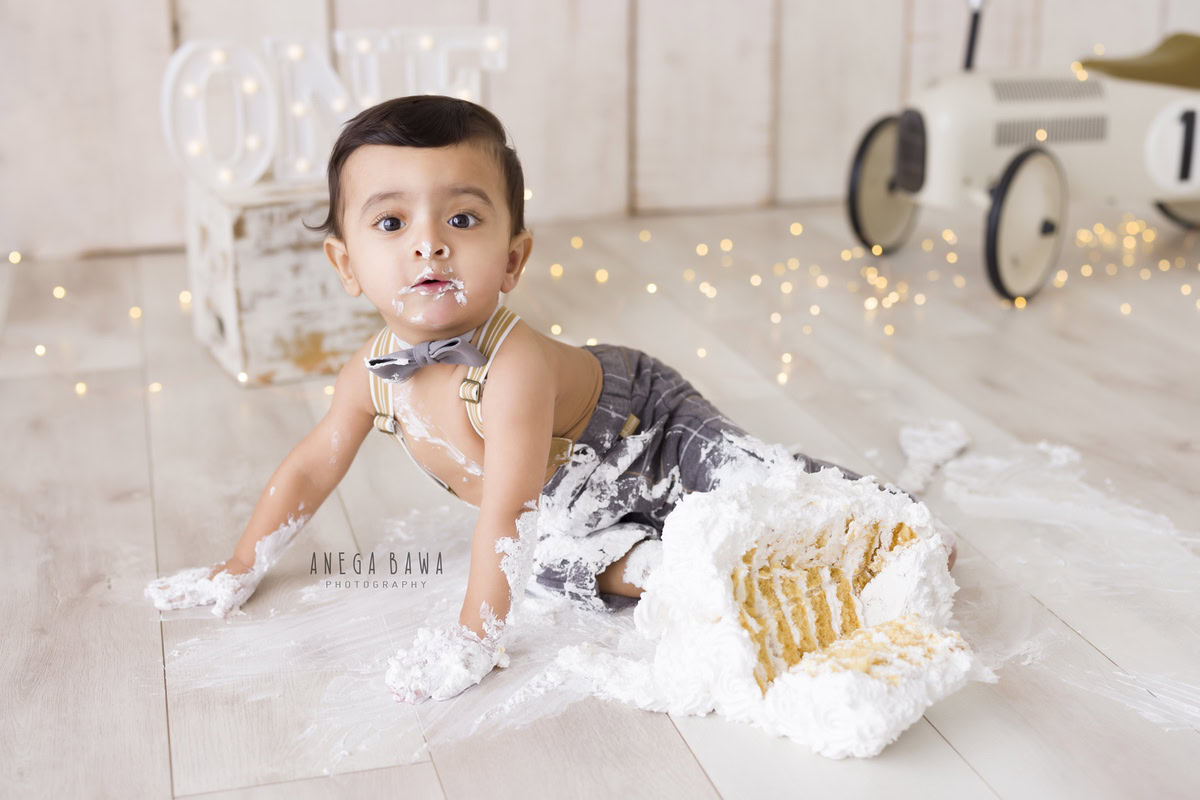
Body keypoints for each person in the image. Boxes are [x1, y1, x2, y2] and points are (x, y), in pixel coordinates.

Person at [145, 95, 956, 703]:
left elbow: (507, 515)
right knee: (561, 571)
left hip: (650, 430)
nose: (429, 241)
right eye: (390, 224)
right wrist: (241, 564)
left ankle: (884, 521)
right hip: (574, 502)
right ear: (346, 265)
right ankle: (673, 562)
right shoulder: (372, 372)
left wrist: (474, 637)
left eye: (462, 217)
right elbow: (311, 468)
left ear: (512, 258)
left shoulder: (512, 366)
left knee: (755, 482)